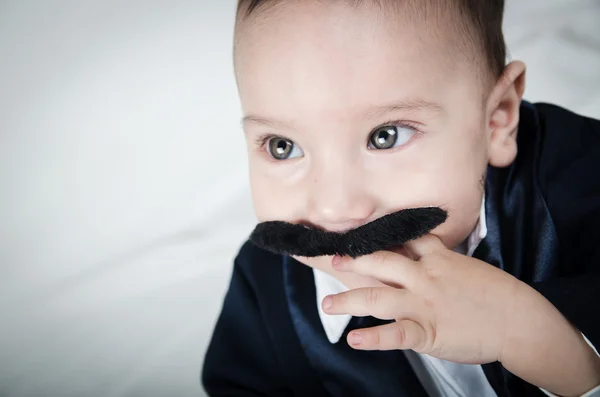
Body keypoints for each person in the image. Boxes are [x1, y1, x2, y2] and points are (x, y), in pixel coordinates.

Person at [202, 0, 600, 396]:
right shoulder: (266, 283)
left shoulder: (578, 179)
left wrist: (529, 334)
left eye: (385, 136)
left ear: (495, 121)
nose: (334, 208)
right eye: (282, 146)